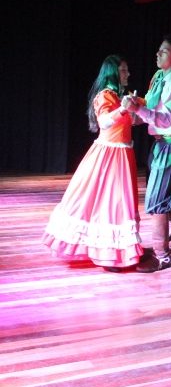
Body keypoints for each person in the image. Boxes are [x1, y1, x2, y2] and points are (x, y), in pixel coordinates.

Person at [42, 55, 143, 270]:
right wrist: (123, 109)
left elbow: (130, 122)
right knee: (109, 201)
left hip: (123, 153)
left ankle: (113, 251)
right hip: (109, 154)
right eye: (123, 70)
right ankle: (109, 252)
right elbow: (104, 122)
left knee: (116, 202)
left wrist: (137, 109)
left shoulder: (119, 96)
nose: (128, 74)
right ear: (113, 73)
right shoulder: (105, 95)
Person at [122, 35, 171, 273]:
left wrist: (138, 109)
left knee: (157, 200)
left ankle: (163, 255)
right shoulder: (159, 76)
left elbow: (165, 118)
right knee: (162, 194)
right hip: (161, 143)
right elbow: (153, 108)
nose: (158, 54)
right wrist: (137, 109)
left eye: (164, 51)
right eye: (159, 50)